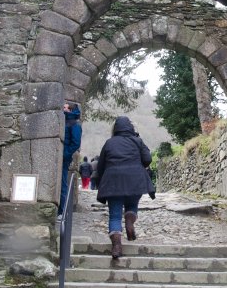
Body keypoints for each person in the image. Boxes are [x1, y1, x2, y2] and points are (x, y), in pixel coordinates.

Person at [96, 116, 156, 259]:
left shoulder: (109, 143)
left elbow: (100, 165)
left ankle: (117, 246)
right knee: (132, 205)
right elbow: (147, 159)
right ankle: (129, 220)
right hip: (135, 180)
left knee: (115, 216)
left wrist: (101, 181)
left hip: (113, 182)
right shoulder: (137, 141)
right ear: (131, 127)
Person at [58, 102, 82, 217]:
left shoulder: (74, 123)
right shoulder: (64, 121)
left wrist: (65, 154)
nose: (63, 109)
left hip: (64, 157)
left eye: (65, 107)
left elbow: (76, 143)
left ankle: (62, 211)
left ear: (70, 110)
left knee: (63, 183)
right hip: (60, 156)